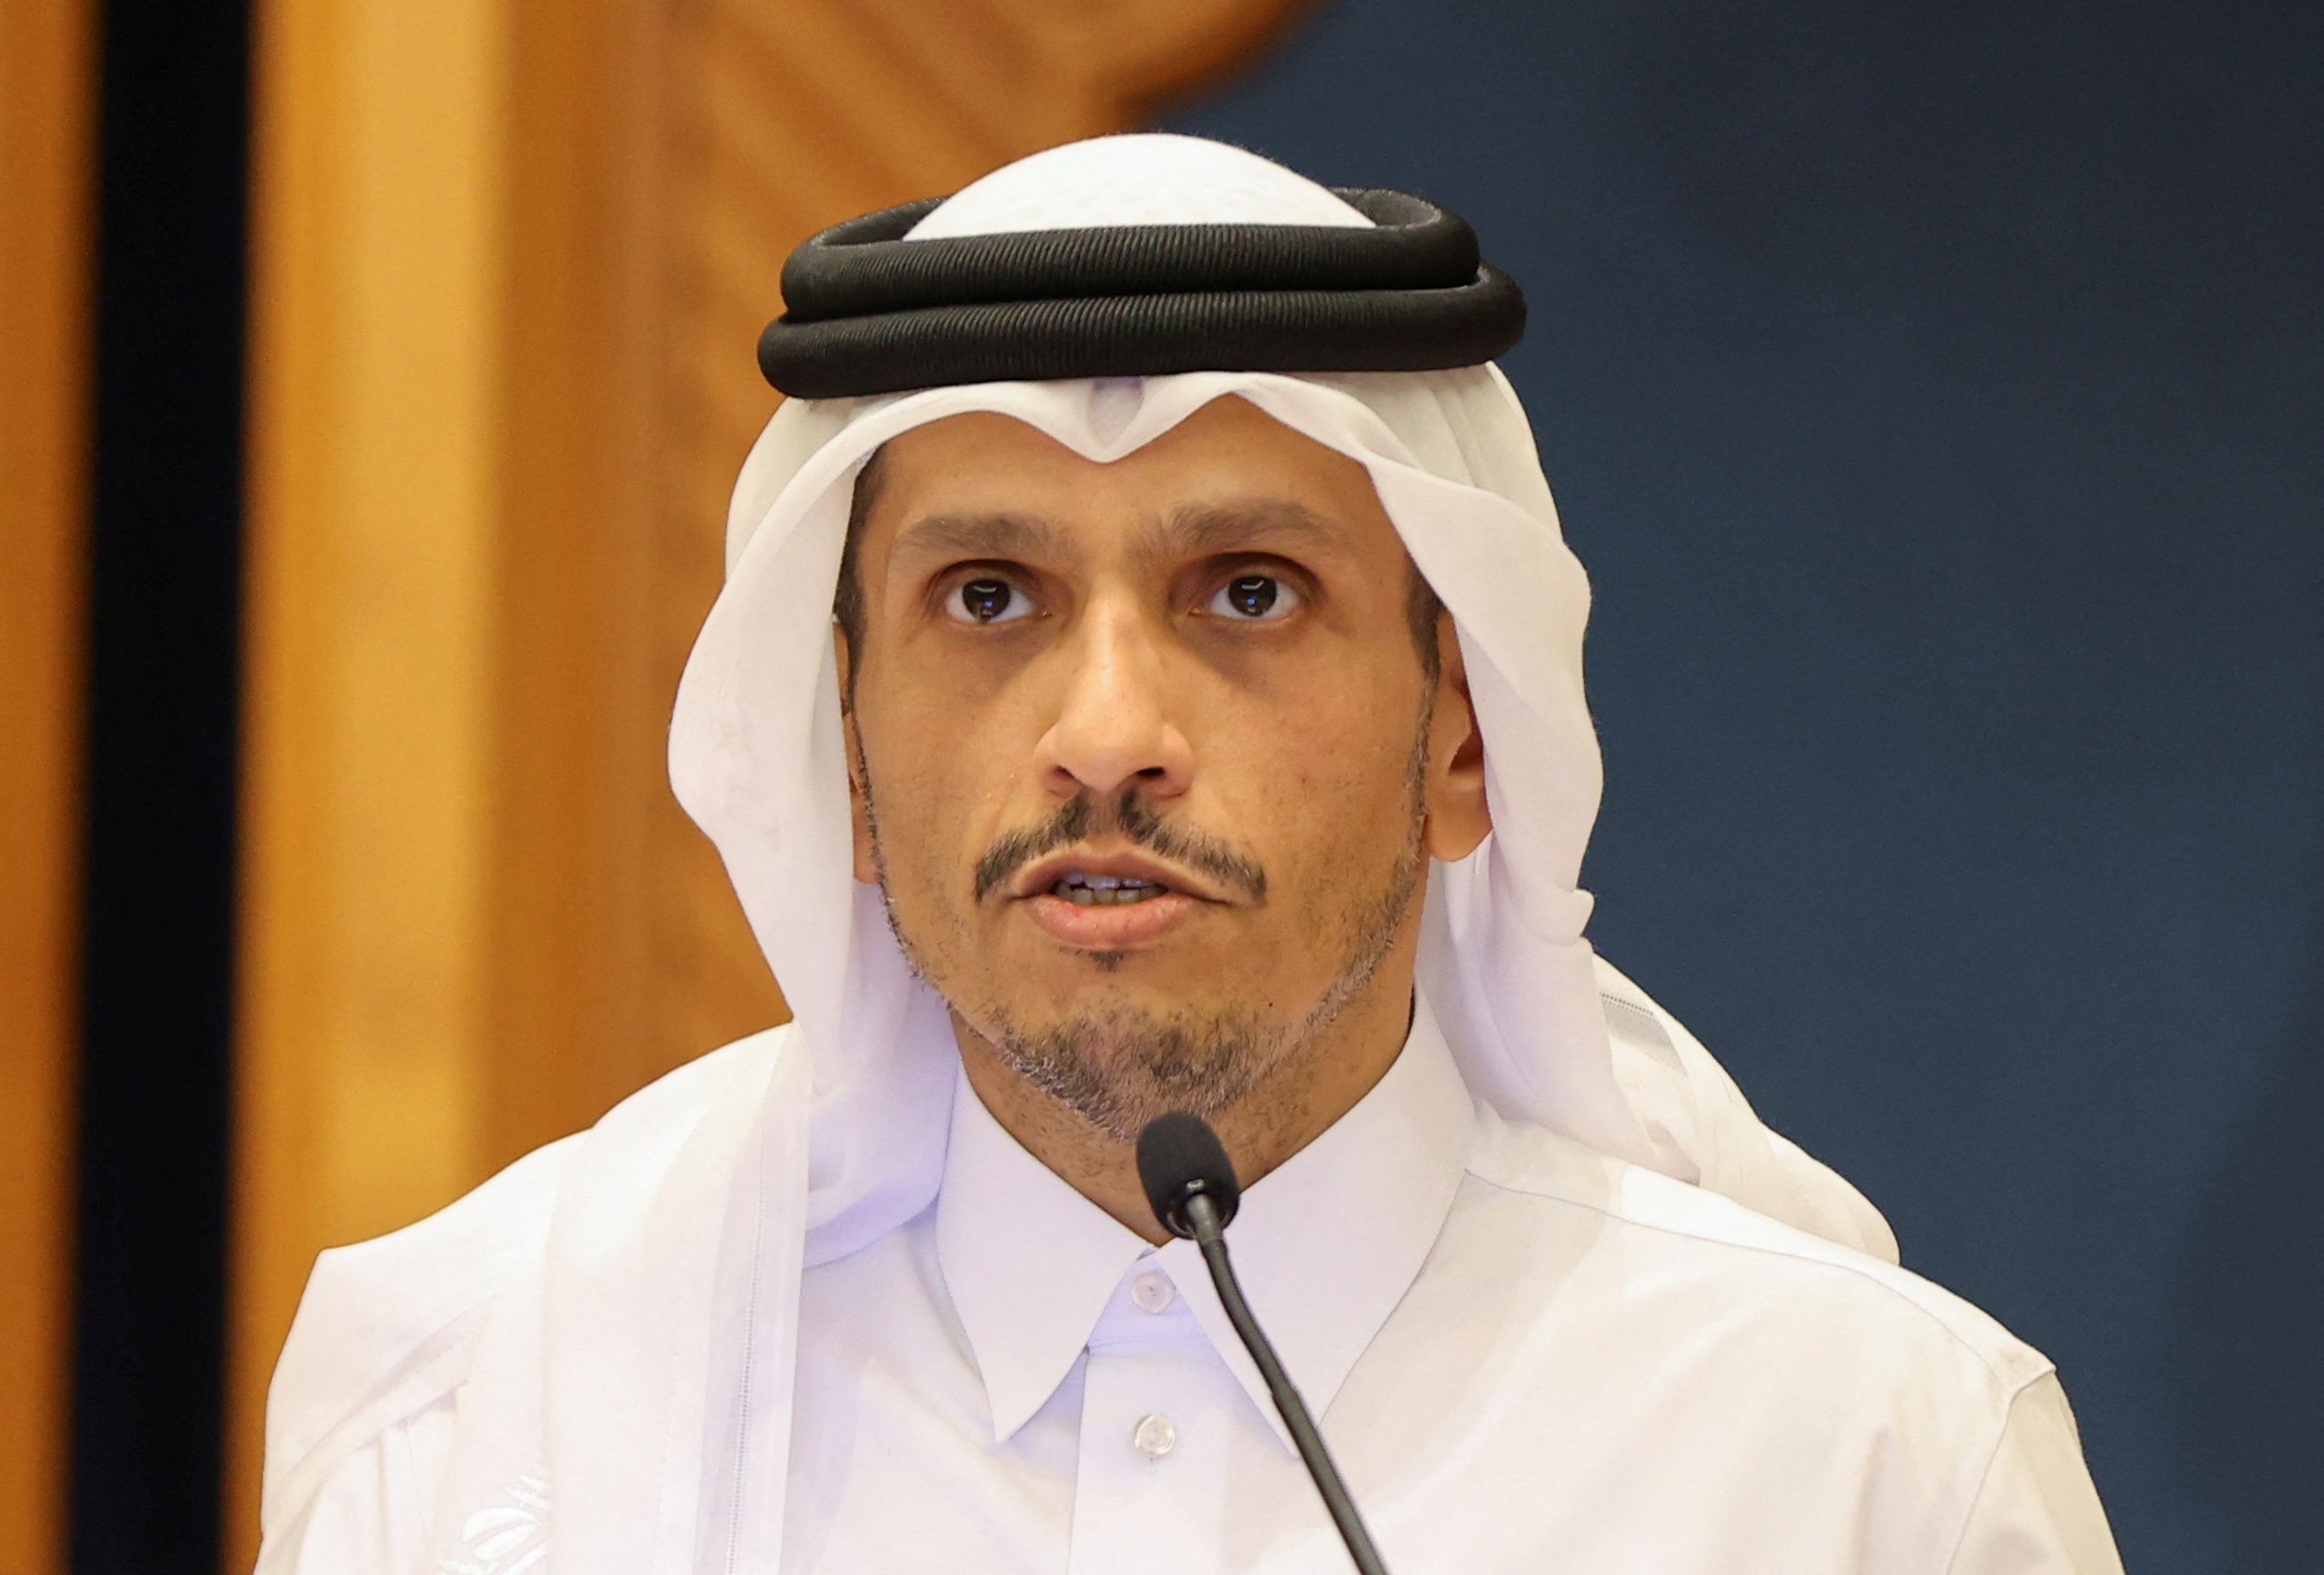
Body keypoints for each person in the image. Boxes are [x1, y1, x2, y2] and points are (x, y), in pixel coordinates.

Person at [254, 135, 2122, 1573]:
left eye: (1249, 589)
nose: (1105, 730)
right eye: (988, 596)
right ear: (841, 746)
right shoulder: (487, 1420)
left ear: (1461, 729)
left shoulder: (1863, 1467)